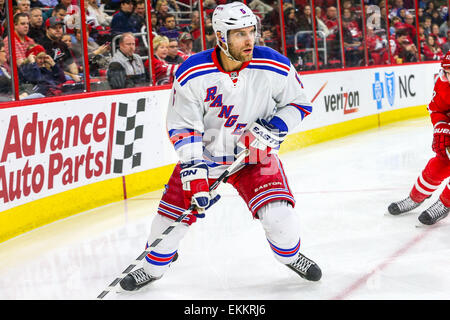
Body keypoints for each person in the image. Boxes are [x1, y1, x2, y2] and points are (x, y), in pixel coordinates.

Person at [118, 2, 322, 292]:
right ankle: (152, 268)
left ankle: (291, 255)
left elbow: (299, 102)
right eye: (239, 34)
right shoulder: (192, 72)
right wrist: (194, 170)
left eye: (252, 31)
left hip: (254, 156)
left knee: (280, 217)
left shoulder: (274, 64)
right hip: (205, 156)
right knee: (167, 223)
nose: (250, 39)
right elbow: (182, 124)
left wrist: (275, 126)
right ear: (220, 37)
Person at [388, 51, 450, 225]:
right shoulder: (443, 84)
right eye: (449, 73)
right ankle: (415, 197)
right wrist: (441, 128)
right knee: (439, 163)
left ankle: (445, 203)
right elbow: (437, 110)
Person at [40, 16, 81, 82]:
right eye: (54, 28)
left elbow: (71, 64)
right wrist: (72, 76)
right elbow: (49, 69)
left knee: (87, 77)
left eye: (60, 27)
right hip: (52, 77)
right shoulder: (42, 45)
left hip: (66, 74)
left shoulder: (63, 44)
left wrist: (75, 74)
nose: (58, 30)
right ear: (47, 29)